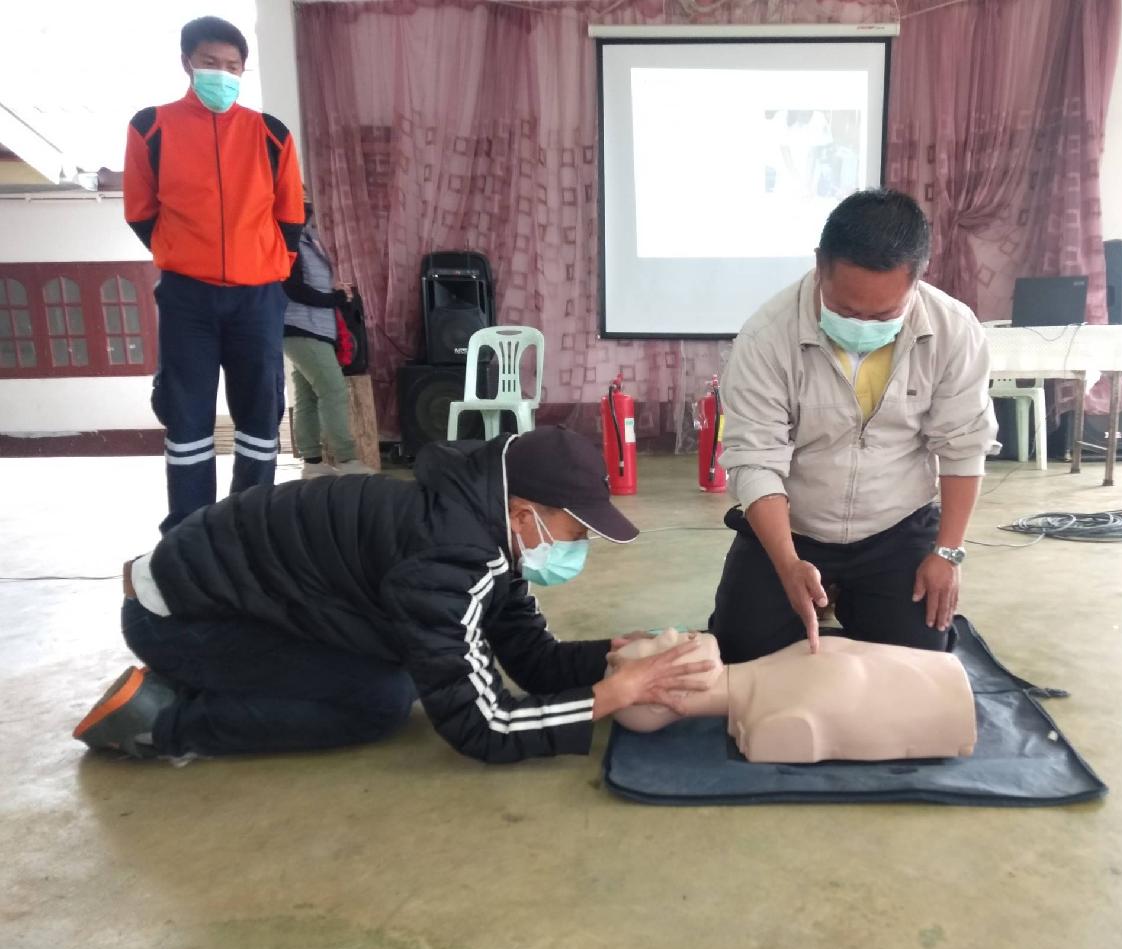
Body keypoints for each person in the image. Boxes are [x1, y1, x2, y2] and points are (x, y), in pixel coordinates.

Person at [71, 428, 713, 764]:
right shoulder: (448, 559)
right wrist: (614, 696)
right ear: (524, 514)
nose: (579, 548)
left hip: (230, 592)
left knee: (409, 670)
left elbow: (531, 658)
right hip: (181, 618)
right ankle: (161, 723)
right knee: (378, 702)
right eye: (577, 533)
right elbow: (483, 728)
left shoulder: (485, 528)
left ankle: (215, 681)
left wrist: (611, 656)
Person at [710, 188, 999, 664]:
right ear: (820, 265)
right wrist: (787, 564)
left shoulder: (954, 330)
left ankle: (865, 598)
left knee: (918, 661)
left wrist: (947, 553)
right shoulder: (766, 336)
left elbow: (964, 446)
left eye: (884, 314)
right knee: (740, 653)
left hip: (895, 524)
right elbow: (755, 460)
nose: (862, 325)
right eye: (845, 309)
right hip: (795, 526)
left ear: (917, 279)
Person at [123, 16, 306, 533]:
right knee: (187, 416)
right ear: (187, 62)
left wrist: (268, 265)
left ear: (243, 70)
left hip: (258, 298)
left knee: (260, 415)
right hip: (188, 299)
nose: (221, 74)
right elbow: (140, 211)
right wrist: (186, 254)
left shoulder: (270, 134)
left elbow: (291, 216)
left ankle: (249, 526)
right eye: (210, 63)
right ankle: (189, 530)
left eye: (232, 66)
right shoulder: (151, 128)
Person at [610, 629, 977, 763]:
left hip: (942, 675)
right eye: (657, 647)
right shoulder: (775, 726)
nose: (669, 632)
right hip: (952, 709)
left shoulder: (769, 667)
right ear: (659, 698)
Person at [282, 200, 374, 478]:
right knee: (333, 390)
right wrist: (334, 298)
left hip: (315, 328)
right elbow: (294, 289)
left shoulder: (309, 240)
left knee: (308, 396)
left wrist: (336, 292)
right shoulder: (289, 240)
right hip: (301, 327)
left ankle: (312, 464)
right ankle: (347, 460)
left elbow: (311, 285)